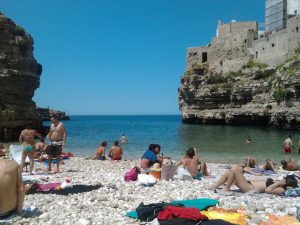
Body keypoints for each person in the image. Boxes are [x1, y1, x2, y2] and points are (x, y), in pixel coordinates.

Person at [210, 167, 298, 194]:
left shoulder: (281, 189)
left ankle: (226, 189)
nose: (282, 178)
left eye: (284, 179)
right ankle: (215, 185)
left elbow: (267, 190)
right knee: (229, 172)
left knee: (234, 170)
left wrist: (278, 183)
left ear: (285, 183)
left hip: (249, 188)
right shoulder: (279, 184)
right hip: (247, 183)